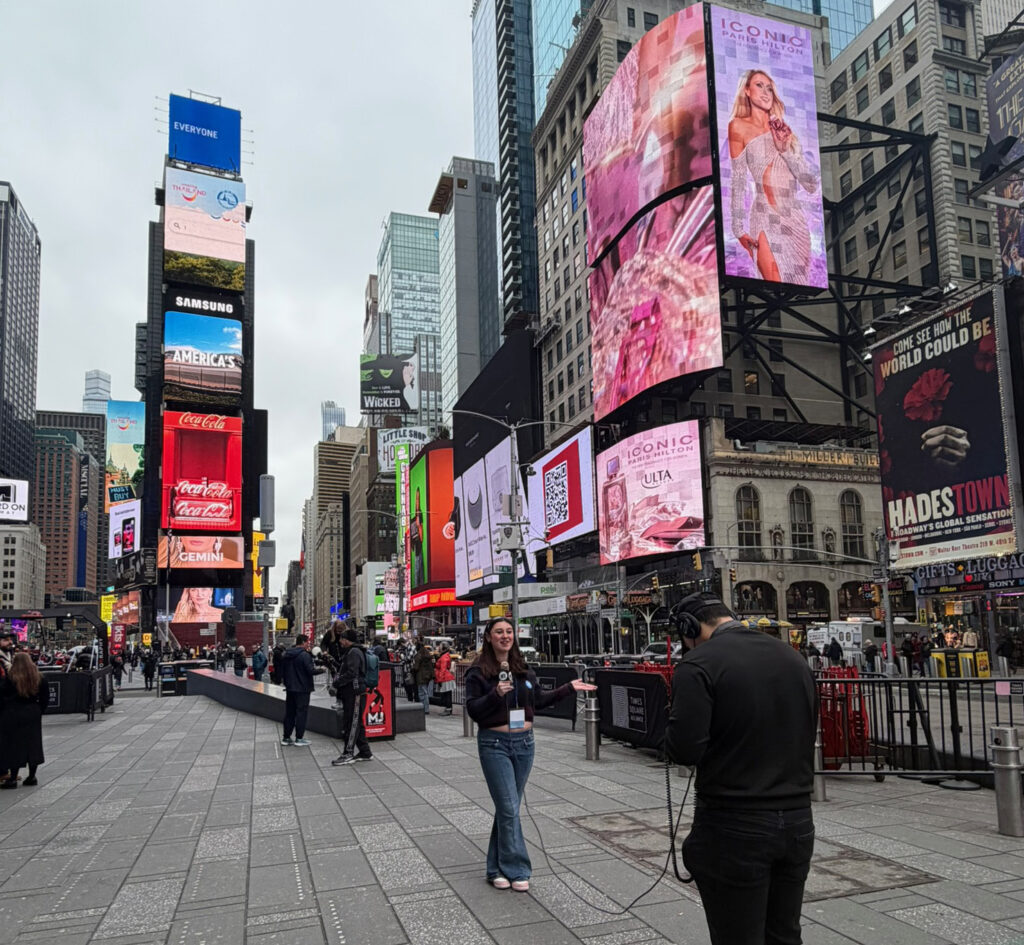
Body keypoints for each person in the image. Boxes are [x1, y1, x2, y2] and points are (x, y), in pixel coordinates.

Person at [664, 593, 817, 945]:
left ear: (690, 628)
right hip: (797, 820)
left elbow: (684, 750)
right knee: (785, 935)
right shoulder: (792, 657)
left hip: (733, 824)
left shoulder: (698, 664)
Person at [465, 617, 595, 891]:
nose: (505, 636)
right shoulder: (478, 672)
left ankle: (495, 868)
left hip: (525, 744)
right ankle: (518, 869)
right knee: (509, 807)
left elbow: (539, 700)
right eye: (499, 632)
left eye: (509, 631)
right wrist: (496, 695)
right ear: (488, 637)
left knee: (508, 808)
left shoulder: (522, 668)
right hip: (494, 744)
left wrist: (569, 688)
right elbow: (474, 710)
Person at [727, 69, 819, 284]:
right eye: (759, 86)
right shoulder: (738, 126)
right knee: (774, 282)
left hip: (794, 223)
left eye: (769, 88)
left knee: (795, 288)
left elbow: (811, 184)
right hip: (763, 218)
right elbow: (738, 180)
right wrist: (738, 229)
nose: (765, 92)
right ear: (747, 90)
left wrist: (784, 149)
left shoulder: (784, 132)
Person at [0, 652, 51, 788]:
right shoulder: (39, 677)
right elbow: (45, 698)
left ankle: (12, 778)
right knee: (33, 744)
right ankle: (32, 776)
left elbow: (2, 697)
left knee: (13, 745)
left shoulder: (10, 678)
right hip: (32, 712)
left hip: (13, 713)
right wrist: (39, 710)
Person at [331, 628, 373, 766]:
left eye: (342, 639)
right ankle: (365, 752)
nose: (340, 642)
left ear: (346, 640)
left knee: (352, 723)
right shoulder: (353, 651)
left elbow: (352, 673)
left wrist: (337, 683)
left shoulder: (354, 652)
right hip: (353, 692)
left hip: (355, 693)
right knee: (356, 722)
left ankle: (348, 753)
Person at [279, 634, 323, 746]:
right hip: (302, 689)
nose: (308, 644)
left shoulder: (287, 654)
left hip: (290, 688)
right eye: (307, 642)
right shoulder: (304, 655)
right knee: (301, 713)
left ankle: (286, 738)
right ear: (303, 642)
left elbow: (282, 670)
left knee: (290, 713)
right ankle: (299, 738)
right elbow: (310, 671)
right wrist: (322, 669)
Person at [413, 641, 435, 715]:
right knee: (425, 693)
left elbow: (416, 667)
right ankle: (426, 708)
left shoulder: (418, 655)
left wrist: (412, 669)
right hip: (428, 676)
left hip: (421, 675)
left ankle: (423, 708)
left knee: (421, 693)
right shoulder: (428, 654)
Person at [434, 643, 456, 716]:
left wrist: (440, 680)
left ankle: (448, 709)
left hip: (445, 678)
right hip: (447, 677)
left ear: (443, 648)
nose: (438, 648)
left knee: (447, 695)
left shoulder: (443, 657)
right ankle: (448, 709)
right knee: (448, 694)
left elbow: (442, 669)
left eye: (440, 646)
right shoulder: (445, 655)